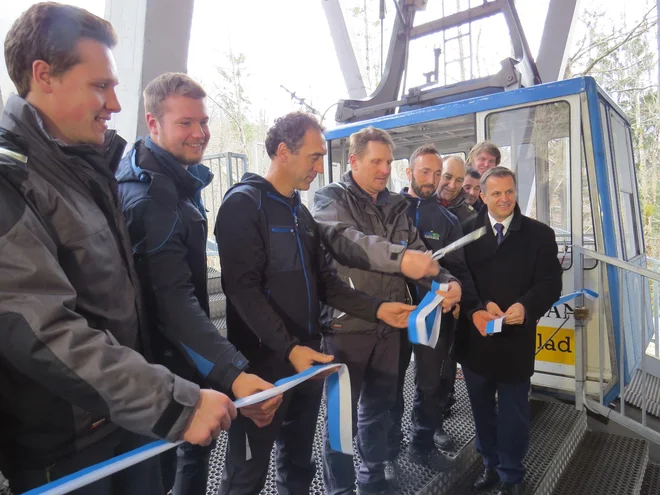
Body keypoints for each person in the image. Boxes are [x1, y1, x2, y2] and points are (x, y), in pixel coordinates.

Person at [0, 4, 236, 494]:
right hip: (66, 446)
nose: (113, 103)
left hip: (122, 420)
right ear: (43, 76)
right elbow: (42, 329)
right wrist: (172, 402)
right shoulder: (12, 180)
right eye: (99, 85)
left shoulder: (85, 166)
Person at [214, 113, 414, 495]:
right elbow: (243, 292)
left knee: (298, 463)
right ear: (284, 152)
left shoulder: (299, 213)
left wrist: (376, 308)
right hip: (262, 366)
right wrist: (288, 349)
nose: (320, 166)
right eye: (314, 156)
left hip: (306, 358)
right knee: (246, 474)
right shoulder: (244, 205)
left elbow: (326, 283)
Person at [117, 73, 282, 495]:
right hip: (161, 370)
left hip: (184, 363)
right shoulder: (153, 199)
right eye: (186, 123)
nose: (200, 133)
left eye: (204, 122)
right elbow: (170, 302)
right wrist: (233, 372)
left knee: (191, 462)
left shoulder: (175, 182)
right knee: (171, 473)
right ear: (153, 124)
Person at [312, 127, 462, 495]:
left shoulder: (396, 206)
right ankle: (340, 488)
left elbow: (419, 254)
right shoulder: (330, 198)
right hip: (347, 326)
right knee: (341, 419)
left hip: (391, 323)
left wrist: (446, 282)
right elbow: (349, 243)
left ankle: (374, 476)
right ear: (354, 160)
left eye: (387, 162)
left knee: (379, 409)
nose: (383, 169)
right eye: (375, 161)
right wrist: (403, 260)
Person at [458, 167, 562, 495]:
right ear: (483, 196)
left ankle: (512, 476)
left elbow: (550, 283)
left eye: (510, 192)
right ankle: (489, 464)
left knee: (514, 414)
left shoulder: (539, 235)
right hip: (477, 337)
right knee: (482, 409)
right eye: (497, 193)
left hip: (516, 340)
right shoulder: (466, 232)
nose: (505, 199)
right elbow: (460, 280)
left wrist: (526, 307)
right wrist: (480, 304)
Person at [394, 145, 487, 469]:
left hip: (435, 315)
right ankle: (389, 454)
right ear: (409, 172)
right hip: (392, 314)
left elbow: (459, 269)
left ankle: (423, 445)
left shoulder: (448, 219)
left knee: (431, 384)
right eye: (427, 172)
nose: (433, 180)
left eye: (438, 174)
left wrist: (462, 296)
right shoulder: (389, 209)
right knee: (390, 387)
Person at [436, 155, 478, 232]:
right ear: (437, 175)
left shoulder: (471, 217)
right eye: (447, 177)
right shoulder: (420, 206)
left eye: (459, 180)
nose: (452, 186)